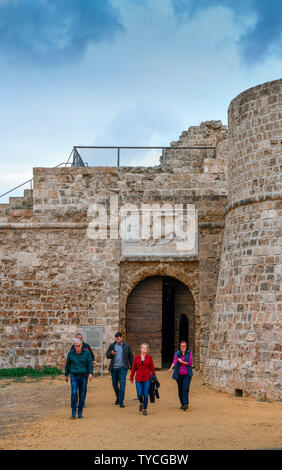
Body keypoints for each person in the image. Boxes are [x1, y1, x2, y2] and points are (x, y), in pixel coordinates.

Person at [65, 338, 93, 419]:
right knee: (74, 392)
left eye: (79, 346)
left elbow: (90, 363)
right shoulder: (71, 353)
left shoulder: (87, 353)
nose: (77, 347)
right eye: (76, 346)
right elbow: (68, 364)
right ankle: (73, 411)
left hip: (84, 375)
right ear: (74, 346)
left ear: (81, 345)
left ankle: (80, 411)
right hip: (74, 375)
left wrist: (90, 373)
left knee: (82, 393)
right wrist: (66, 375)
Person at [106, 332, 134, 408]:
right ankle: (118, 397)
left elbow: (131, 357)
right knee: (114, 385)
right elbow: (107, 355)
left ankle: (121, 401)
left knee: (122, 384)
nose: (117, 340)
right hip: (114, 368)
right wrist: (111, 353)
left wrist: (133, 368)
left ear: (122, 338)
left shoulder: (126, 346)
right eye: (116, 339)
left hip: (123, 368)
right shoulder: (112, 345)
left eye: (118, 339)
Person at [70, 333, 97, 408]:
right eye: (78, 338)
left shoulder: (87, 346)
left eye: (80, 339)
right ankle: (75, 402)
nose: (79, 340)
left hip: (84, 371)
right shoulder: (73, 347)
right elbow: (70, 357)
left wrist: (93, 361)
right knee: (75, 389)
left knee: (83, 388)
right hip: (75, 371)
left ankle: (82, 402)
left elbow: (91, 356)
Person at [130, 343, 156, 416]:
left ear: (147, 350)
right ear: (140, 349)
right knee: (139, 394)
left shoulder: (149, 358)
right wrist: (131, 377)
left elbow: (152, 368)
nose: (144, 349)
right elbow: (133, 368)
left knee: (145, 394)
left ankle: (144, 409)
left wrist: (154, 377)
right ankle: (141, 402)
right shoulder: (136, 357)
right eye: (143, 348)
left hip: (147, 378)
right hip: (138, 378)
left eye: (146, 348)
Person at [168, 340, 193, 411]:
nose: (183, 347)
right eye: (182, 346)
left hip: (187, 374)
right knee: (180, 390)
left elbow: (190, 363)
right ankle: (183, 404)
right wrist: (170, 368)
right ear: (180, 347)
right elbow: (174, 361)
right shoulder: (177, 354)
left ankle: (185, 403)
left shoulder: (189, 353)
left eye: (184, 346)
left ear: (186, 346)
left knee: (185, 388)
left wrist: (182, 362)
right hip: (179, 375)